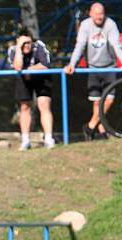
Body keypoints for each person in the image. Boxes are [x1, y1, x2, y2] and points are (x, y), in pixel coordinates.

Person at [65, 2, 122, 140]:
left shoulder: (110, 24)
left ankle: (90, 127)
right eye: (96, 13)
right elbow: (80, 45)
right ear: (91, 13)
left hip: (109, 67)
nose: (99, 16)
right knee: (97, 102)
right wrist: (72, 63)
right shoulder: (85, 25)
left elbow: (116, 45)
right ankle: (102, 130)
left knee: (108, 100)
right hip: (93, 68)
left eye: (101, 13)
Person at [9, 30, 54, 150]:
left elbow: (46, 64)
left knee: (44, 104)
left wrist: (30, 69)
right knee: (24, 107)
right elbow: (18, 67)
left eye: (28, 42)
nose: (27, 46)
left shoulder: (40, 46)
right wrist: (19, 47)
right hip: (24, 80)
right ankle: (25, 140)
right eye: (24, 43)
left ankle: (49, 138)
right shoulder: (13, 50)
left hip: (41, 79)